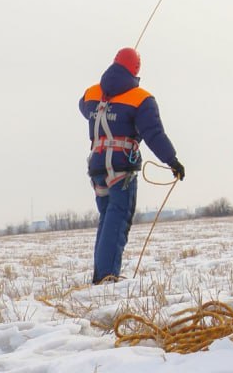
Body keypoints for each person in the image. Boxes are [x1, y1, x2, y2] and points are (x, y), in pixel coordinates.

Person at [79, 46, 185, 284]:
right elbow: (153, 134)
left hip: (97, 169)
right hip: (120, 170)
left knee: (106, 218)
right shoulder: (141, 99)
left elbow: (83, 107)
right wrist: (172, 160)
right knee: (117, 220)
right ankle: (106, 277)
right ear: (136, 70)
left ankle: (101, 274)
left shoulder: (92, 94)